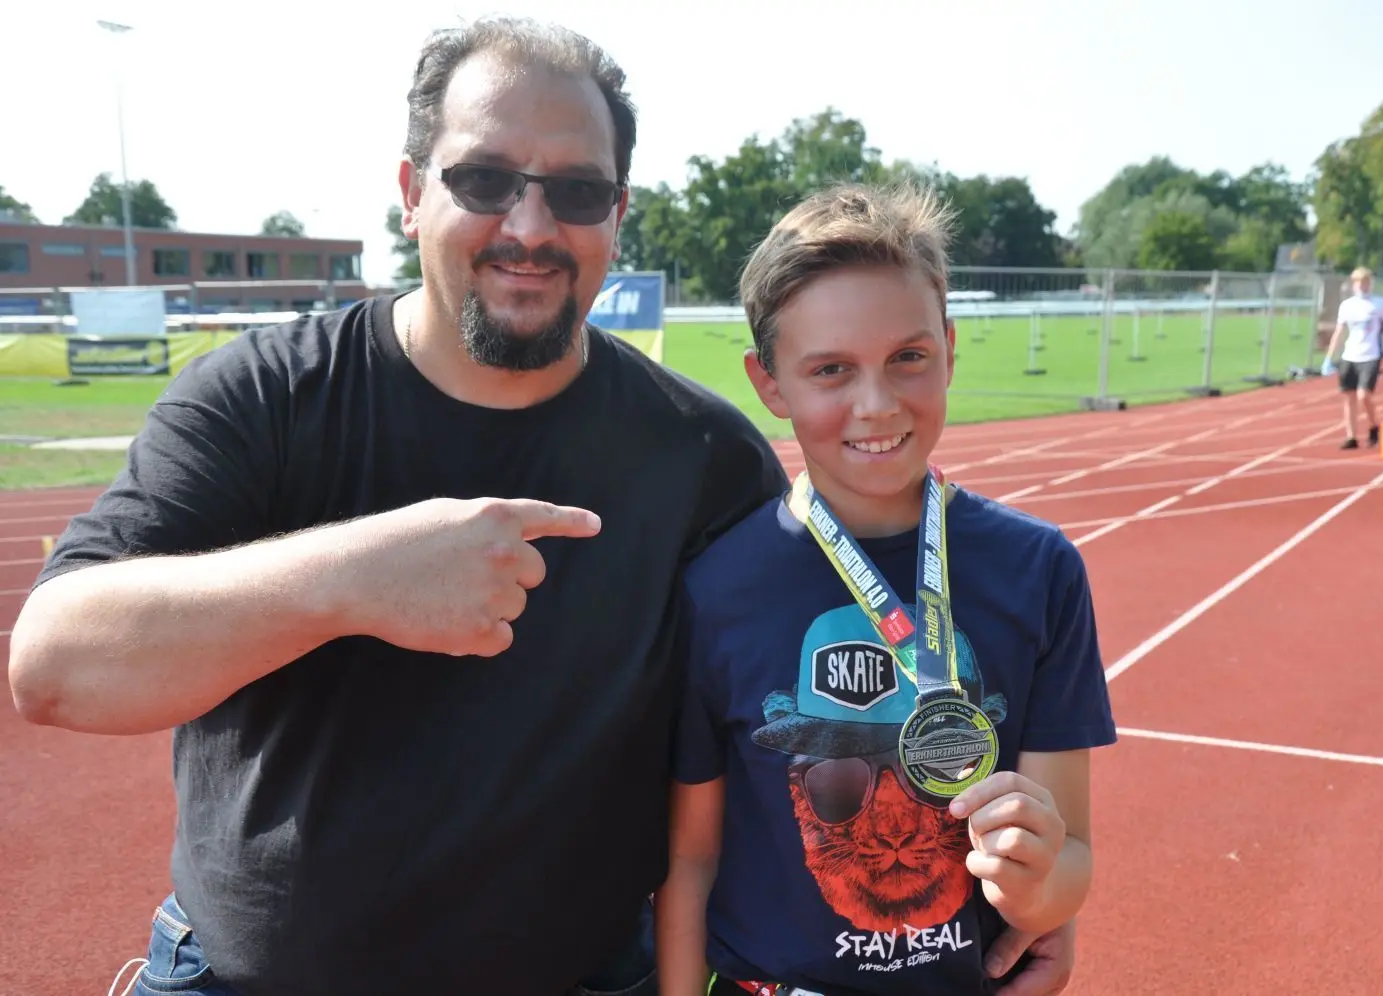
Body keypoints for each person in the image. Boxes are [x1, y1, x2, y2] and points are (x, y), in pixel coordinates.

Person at [6, 17, 1080, 996]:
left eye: (573, 191)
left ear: (616, 212)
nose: (529, 223)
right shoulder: (265, 398)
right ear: (411, 189)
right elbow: (55, 669)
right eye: (483, 178)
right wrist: (348, 579)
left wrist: (1030, 904)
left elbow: (790, 746)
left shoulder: (705, 457)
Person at [654, 182, 1117, 996]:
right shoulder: (715, 587)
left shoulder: (1039, 570)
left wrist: (1042, 885)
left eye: (909, 357)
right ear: (768, 383)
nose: (877, 405)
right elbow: (691, 861)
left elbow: (1072, 854)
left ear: (948, 344)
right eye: (831, 370)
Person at [1323, 266, 1383, 450]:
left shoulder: (1380, 304)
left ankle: (1373, 426)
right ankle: (1351, 437)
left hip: (1370, 355)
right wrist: (1329, 357)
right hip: (1350, 355)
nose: (1363, 285)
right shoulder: (1347, 305)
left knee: (1364, 395)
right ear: (1354, 284)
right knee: (1349, 397)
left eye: (1366, 282)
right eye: (1359, 282)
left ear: (1370, 283)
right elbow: (1339, 332)